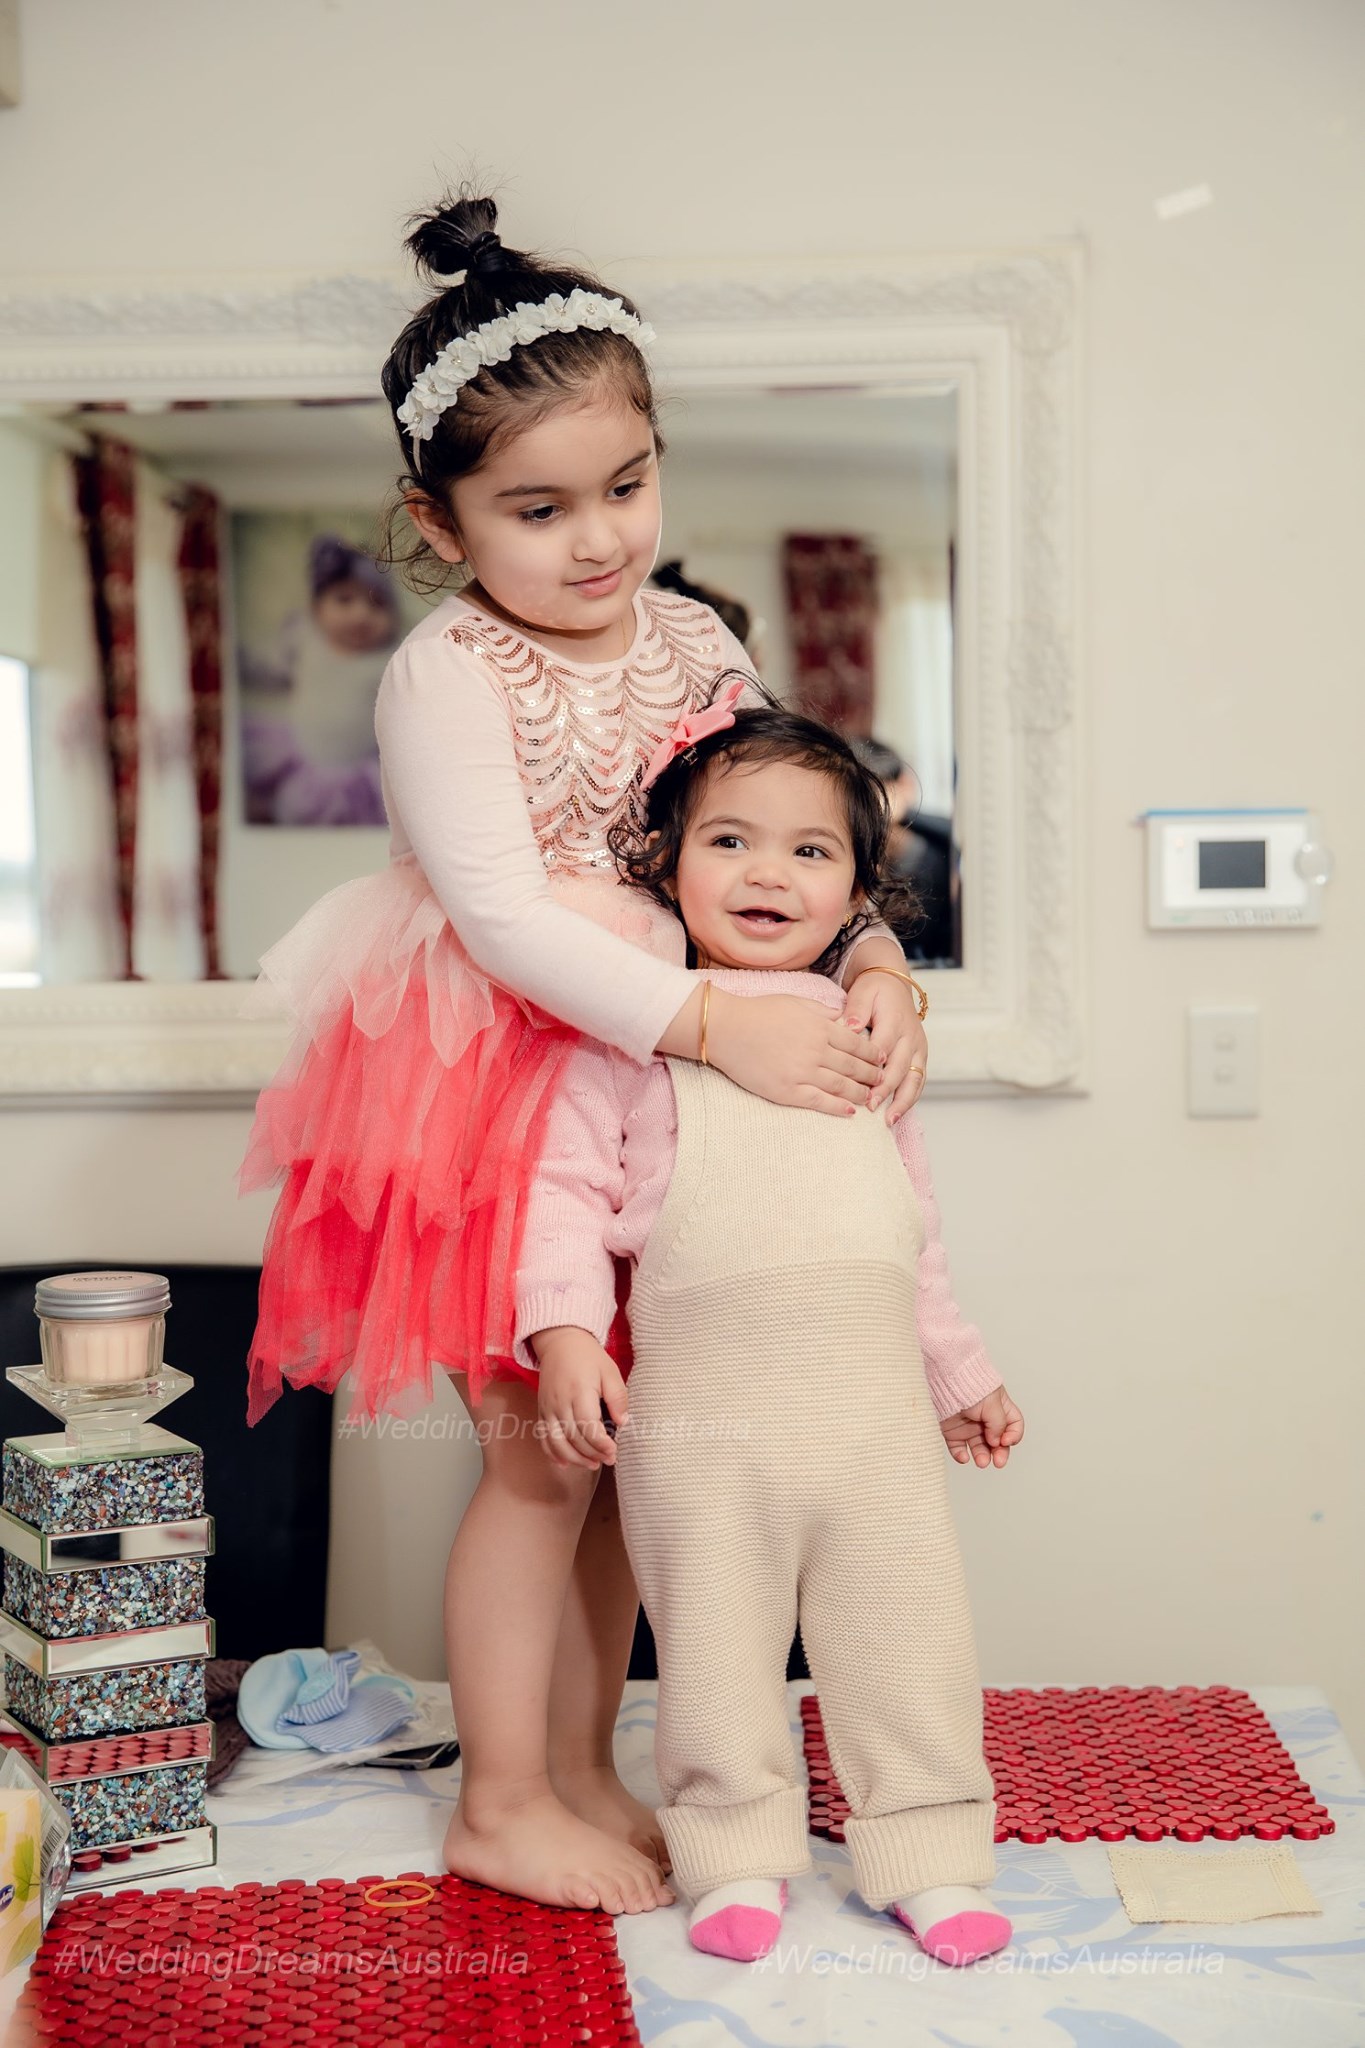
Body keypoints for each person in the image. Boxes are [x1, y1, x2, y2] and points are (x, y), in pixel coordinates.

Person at [239, 190, 935, 1919]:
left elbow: (778, 819)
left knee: (637, 1448)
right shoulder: (446, 670)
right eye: (537, 510)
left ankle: (584, 1763)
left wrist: (869, 953)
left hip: (662, 1102)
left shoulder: (697, 639)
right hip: (494, 1079)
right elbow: (500, 917)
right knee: (537, 1450)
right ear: (437, 519)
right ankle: (497, 1796)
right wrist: (711, 1021)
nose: (598, 538)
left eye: (626, 486)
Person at [517, 697, 1024, 1965]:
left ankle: (930, 1850)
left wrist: (960, 1373)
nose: (768, 873)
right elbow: (560, 1194)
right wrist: (565, 1331)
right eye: (730, 840)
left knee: (907, 1638)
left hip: (872, 1421)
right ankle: (733, 1850)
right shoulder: (637, 1031)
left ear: (857, 889)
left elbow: (911, 1231)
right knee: (713, 1648)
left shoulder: (869, 1028)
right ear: (668, 864)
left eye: (810, 850)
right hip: (705, 1425)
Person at [240, 535, 398, 826]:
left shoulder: (388, 661)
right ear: (316, 607)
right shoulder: (305, 640)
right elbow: (273, 670)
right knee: (284, 805)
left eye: (376, 604)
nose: (361, 614)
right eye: (344, 599)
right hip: (301, 755)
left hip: (357, 771)